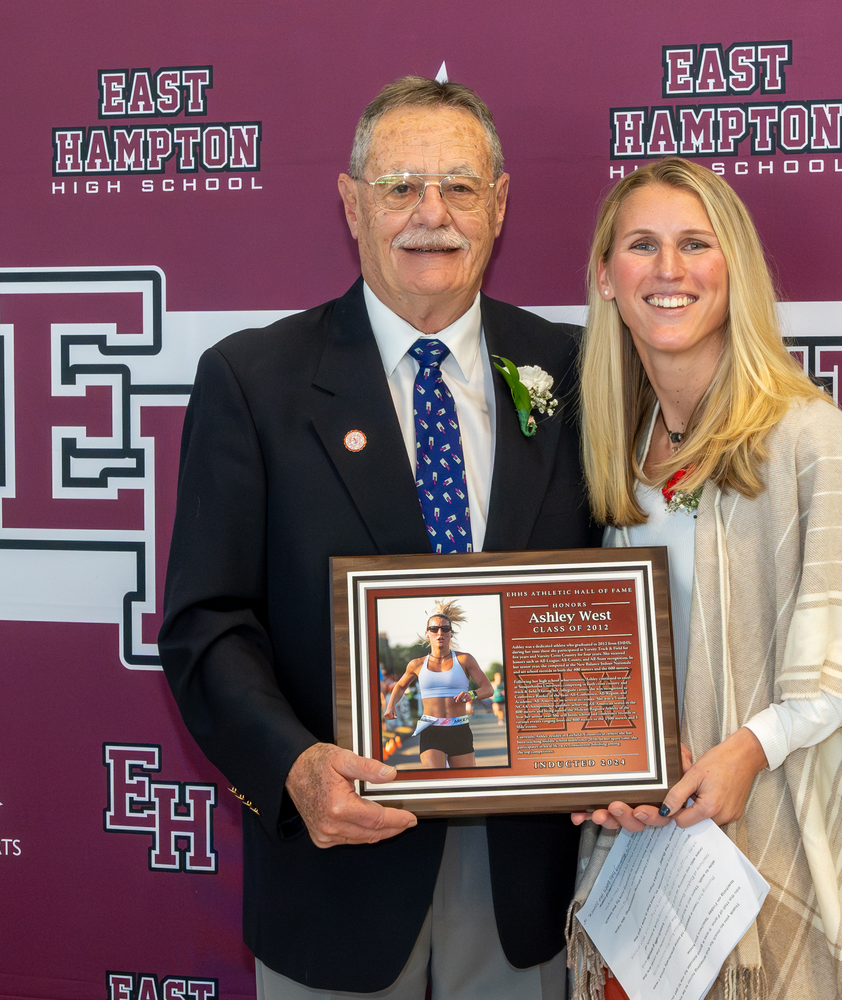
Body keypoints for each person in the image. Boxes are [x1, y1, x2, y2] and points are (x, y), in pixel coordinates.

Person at [159, 75, 597, 1000]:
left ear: (502, 203)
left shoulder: (576, 368)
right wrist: (294, 768)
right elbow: (209, 623)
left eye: (459, 188)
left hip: (527, 879)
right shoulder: (255, 380)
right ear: (352, 204)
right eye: (400, 187)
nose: (430, 215)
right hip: (338, 870)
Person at [566, 158, 842, 999]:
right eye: (642, 245)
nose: (668, 270)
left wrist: (750, 748)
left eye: (695, 244)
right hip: (651, 871)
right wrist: (610, 773)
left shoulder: (809, 439)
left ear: (733, 270)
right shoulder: (617, 460)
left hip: (773, 853)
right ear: (604, 277)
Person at [383, 601, 494, 769]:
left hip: (459, 729)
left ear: (451, 633)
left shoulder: (464, 660)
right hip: (431, 730)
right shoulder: (417, 664)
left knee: (464, 783)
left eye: (445, 629)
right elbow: (399, 686)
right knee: (436, 782)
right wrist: (390, 706)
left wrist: (471, 694)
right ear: (427, 634)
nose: (439, 633)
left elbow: (488, 688)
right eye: (434, 629)